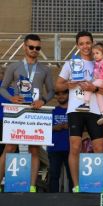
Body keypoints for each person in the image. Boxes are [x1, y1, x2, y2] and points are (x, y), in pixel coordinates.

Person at [56, 31, 103, 193]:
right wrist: (69, 84)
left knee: (99, 147)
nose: (85, 46)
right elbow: (57, 86)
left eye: (88, 43)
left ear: (93, 43)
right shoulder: (71, 63)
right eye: (82, 44)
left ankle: (99, 186)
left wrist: (95, 88)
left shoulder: (100, 62)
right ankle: (77, 186)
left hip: (94, 111)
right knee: (75, 147)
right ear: (77, 46)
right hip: (75, 110)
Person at [0, 34, 55, 193]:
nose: (34, 50)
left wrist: (43, 101)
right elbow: (2, 87)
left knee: (34, 149)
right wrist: (11, 98)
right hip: (17, 111)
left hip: (34, 111)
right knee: (9, 148)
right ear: (24, 47)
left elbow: (51, 90)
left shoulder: (45, 68)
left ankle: (31, 187)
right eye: (31, 47)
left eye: (38, 48)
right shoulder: (14, 66)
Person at [76, 42, 103, 125]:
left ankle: (86, 104)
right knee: (99, 95)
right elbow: (97, 73)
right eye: (93, 54)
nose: (95, 55)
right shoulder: (98, 62)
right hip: (100, 80)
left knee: (89, 86)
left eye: (97, 53)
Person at [47, 88, 73, 192]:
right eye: (58, 94)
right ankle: (52, 199)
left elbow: (84, 127)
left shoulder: (73, 112)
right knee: (54, 176)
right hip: (54, 148)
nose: (61, 96)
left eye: (64, 93)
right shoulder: (52, 111)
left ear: (69, 94)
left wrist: (70, 126)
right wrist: (55, 127)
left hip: (71, 149)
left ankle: (73, 199)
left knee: (71, 176)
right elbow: (41, 128)